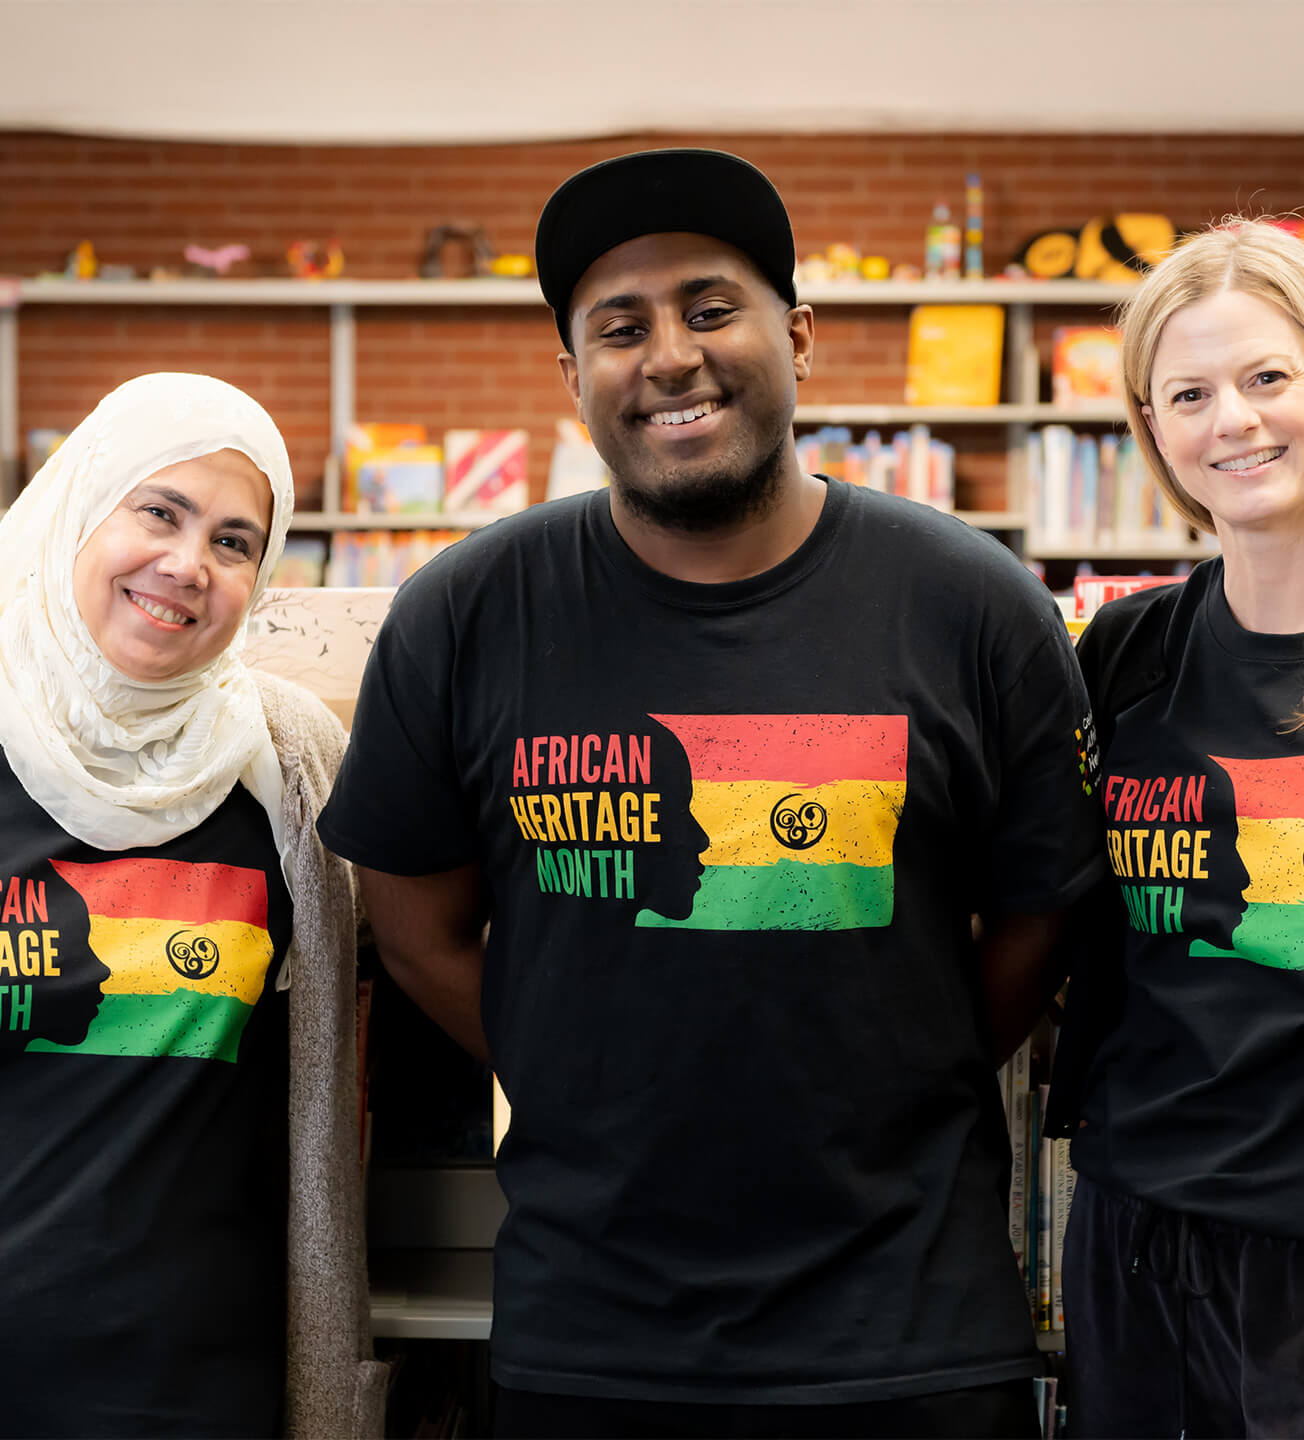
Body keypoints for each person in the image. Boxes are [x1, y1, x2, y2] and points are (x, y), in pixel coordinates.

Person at [319, 148, 1103, 1439]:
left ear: (799, 336)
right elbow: (411, 925)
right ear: (574, 380)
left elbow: (1041, 916)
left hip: (911, 1337)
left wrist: (911, 1064)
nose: (669, 355)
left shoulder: (976, 608)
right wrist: (578, 1063)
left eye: (709, 307)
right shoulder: (464, 614)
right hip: (593, 1338)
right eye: (618, 328)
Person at [1046, 219, 1304, 1439]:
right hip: (1131, 1247)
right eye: (1191, 393)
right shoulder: (1125, 653)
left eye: (1267, 376)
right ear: (1154, 430)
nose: (1236, 420)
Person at [0, 373, 382, 1438]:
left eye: (234, 541)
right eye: (158, 511)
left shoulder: (288, 762)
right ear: (81, 502)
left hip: (198, 1379)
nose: (187, 565)